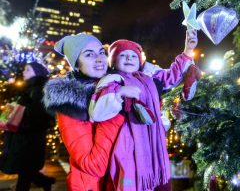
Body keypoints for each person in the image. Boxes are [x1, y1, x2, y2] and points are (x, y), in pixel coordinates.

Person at [88, 29, 198, 191]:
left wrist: (188, 50)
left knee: (154, 181)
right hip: (127, 141)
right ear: (113, 61)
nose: (129, 58)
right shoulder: (112, 79)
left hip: (152, 140)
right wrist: (120, 92)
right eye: (122, 55)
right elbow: (98, 111)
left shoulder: (149, 79)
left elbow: (172, 77)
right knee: (128, 180)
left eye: (133, 56)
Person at [43, 33, 141, 190]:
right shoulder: (71, 105)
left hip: (122, 182)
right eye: (89, 54)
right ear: (76, 64)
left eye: (101, 52)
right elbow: (93, 166)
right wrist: (114, 107)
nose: (99, 58)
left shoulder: (116, 84)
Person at [0, 62, 55, 191]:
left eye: (28, 70)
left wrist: (19, 124)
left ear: (37, 73)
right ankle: (45, 182)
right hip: (24, 139)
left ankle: (45, 182)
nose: (24, 72)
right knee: (26, 171)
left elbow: (38, 116)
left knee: (25, 173)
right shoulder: (29, 89)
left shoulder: (39, 90)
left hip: (29, 140)